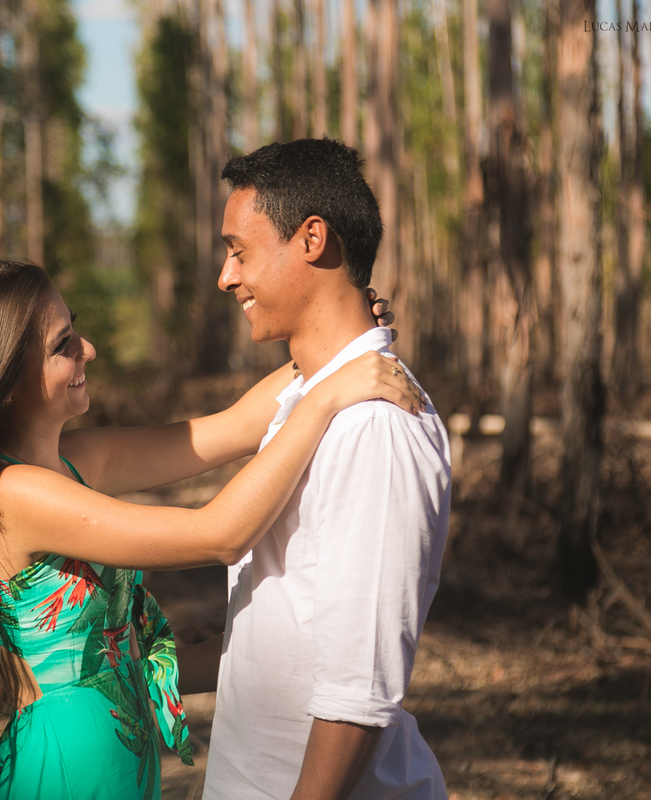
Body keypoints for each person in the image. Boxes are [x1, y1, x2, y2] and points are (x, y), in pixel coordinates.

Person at [0, 259, 420, 799]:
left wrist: (338, 345)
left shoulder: (73, 462)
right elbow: (221, 534)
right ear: (4, 383)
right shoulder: (15, 493)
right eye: (62, 344)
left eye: (76, 329)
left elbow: (231, 428)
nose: (87, 349)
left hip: (113, 761)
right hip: (69, 771)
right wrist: (328, 396)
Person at [195, 138, 451, 799]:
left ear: (312, 239)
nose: (226, 277)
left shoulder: (375, 426)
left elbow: (356, 692)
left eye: (239, 251)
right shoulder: (309, 398)